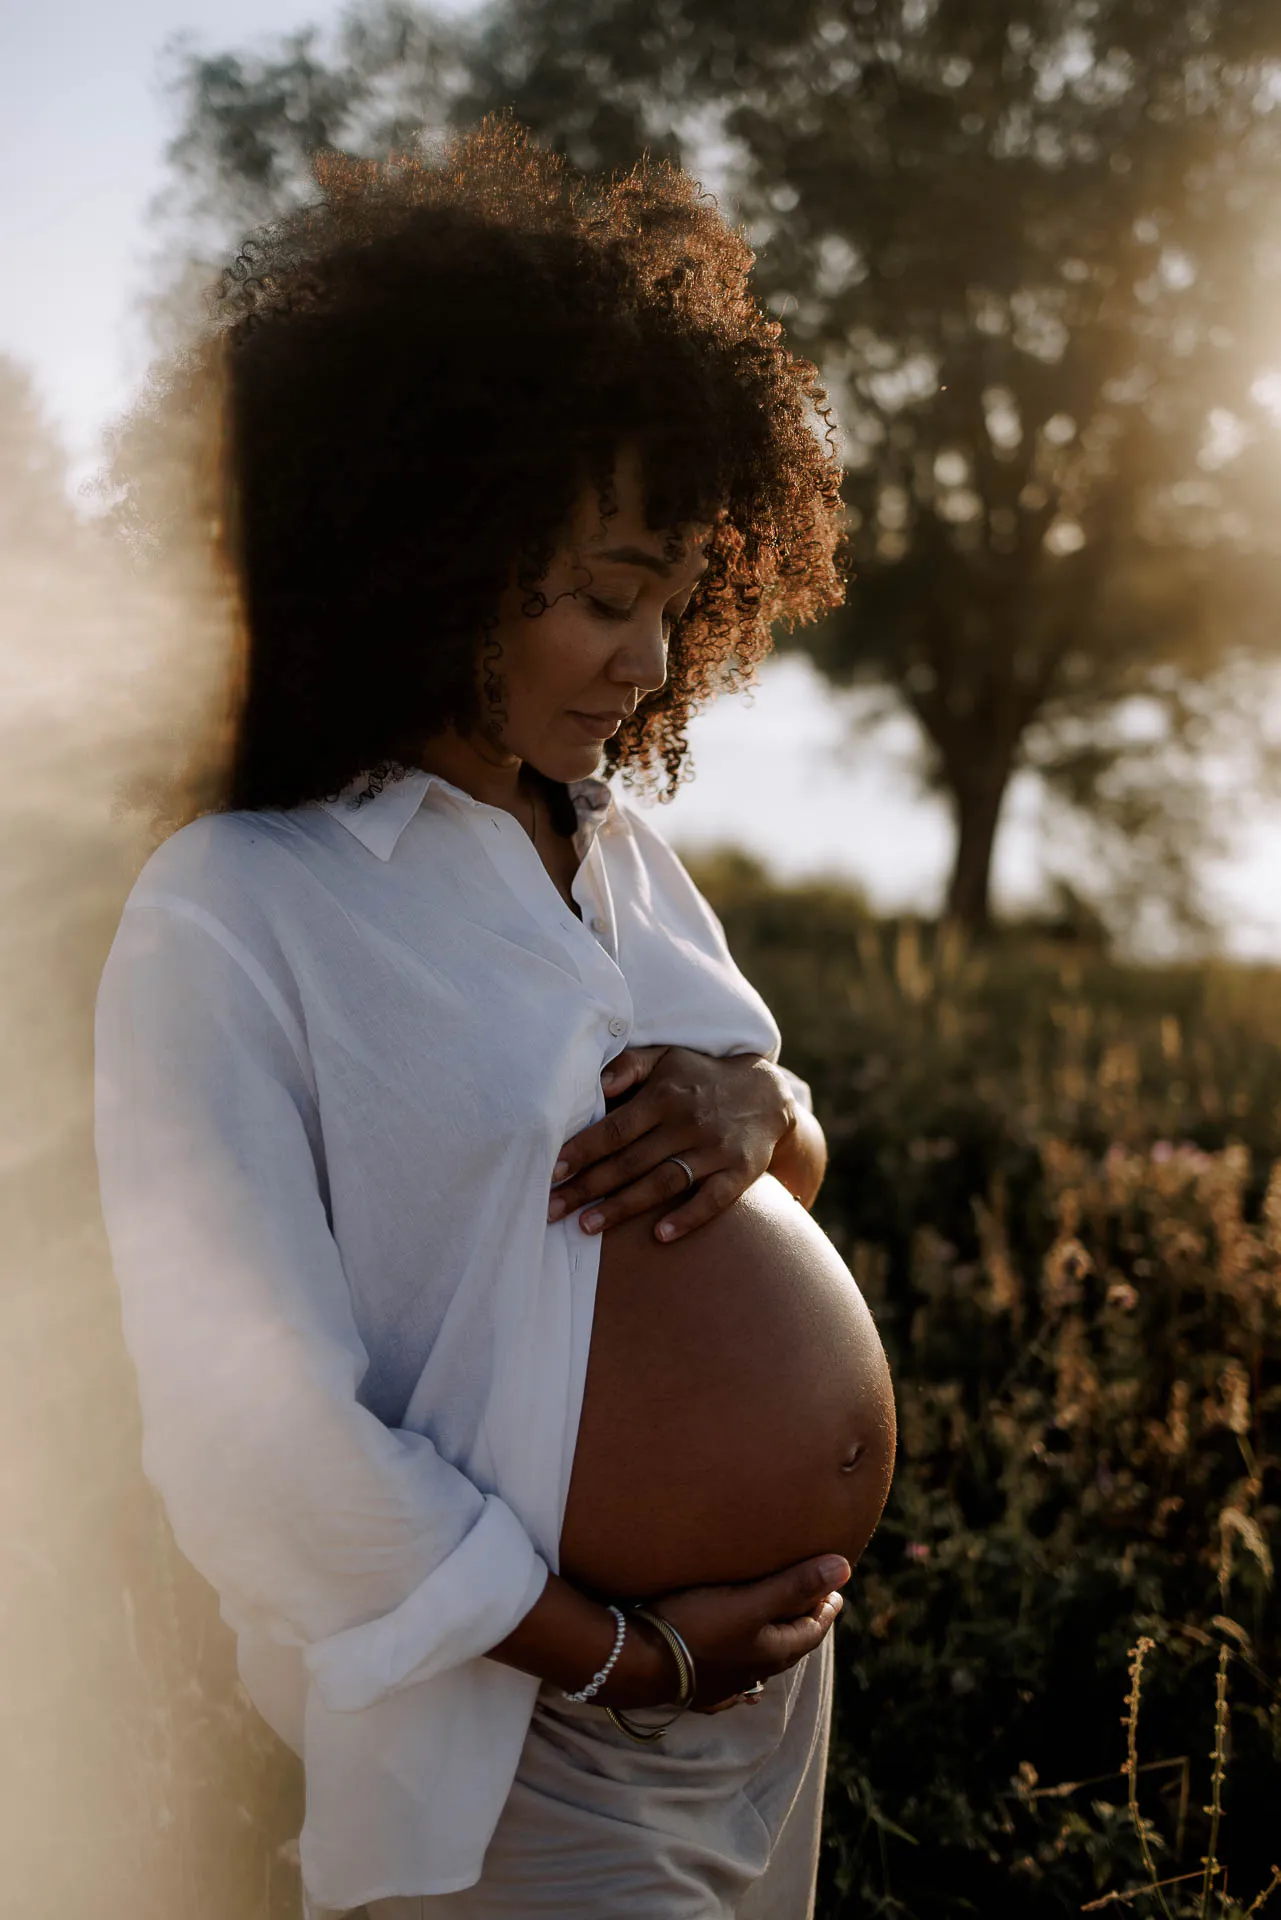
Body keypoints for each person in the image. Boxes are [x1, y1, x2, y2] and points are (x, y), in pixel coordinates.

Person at [94, 119, 896, 1920]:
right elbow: (250, 1436)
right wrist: (622, 1653)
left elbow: (772, 1152)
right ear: (434, 554)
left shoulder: (610, 853)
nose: (649, 662)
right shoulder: (241, 907)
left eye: (679, 608)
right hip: (516, 1735)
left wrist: (763, 1111)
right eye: (610, 598)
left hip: (765, 1708)